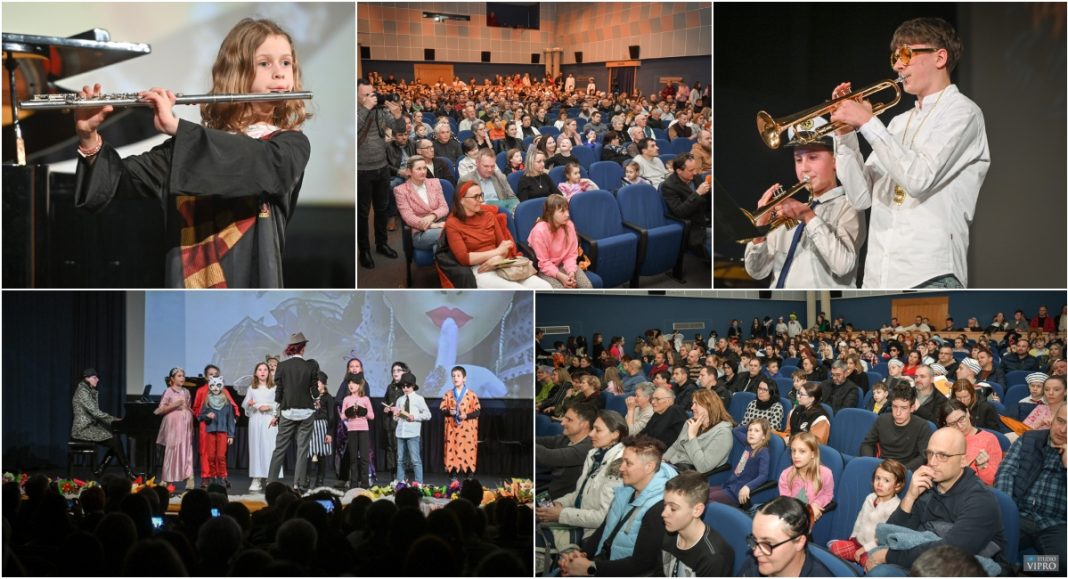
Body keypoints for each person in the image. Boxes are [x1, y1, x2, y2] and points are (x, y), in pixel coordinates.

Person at [76, 18, 312, 286]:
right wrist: (88, 136)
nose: (280, 73)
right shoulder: (187, 147)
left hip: (250, 287)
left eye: (286, 62)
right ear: (236, 71)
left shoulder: (290, 145)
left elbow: (265, 168)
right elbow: (117, 182)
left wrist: (177, 127)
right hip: (190, 289)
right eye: (264, 63)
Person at [831, 17, 989, 288]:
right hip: (878, 275)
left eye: (906, 54)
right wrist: (845, 135)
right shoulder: (897, 122)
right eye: (894, 56)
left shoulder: (963, 112)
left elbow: (919, 179)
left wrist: (868, 123)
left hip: (929, 273)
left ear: (940, 57)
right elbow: (860, 197)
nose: (897, 65)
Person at [864, 427, 1007, 575]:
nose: (932, 462)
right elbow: (889, 534)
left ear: (963, 460)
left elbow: (949, 554)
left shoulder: (980, 501)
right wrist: (910, 496)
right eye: (930, 453)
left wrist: (887, 556)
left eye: (943, 456)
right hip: (924, 564)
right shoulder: (927, 486)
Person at [744, 116, 865, 288]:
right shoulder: (790, 210)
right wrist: (759, 232)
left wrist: (809, 217)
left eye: (813, 157)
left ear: (836, 161)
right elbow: (757, 272)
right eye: (798, 159)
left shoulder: (849, 205)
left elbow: (844, 266)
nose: (804, 168)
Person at [557, 435, 677, 577]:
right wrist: (582, 555)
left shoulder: (660, 507)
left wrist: (590, 568)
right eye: (622, 461)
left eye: (628, 463)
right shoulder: (625, 490)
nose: (621, 468)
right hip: (605, 562)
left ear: (649, 467)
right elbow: (603, 530)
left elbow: (642, 564)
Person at [536, 410, 627, 548]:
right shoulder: (594, 454)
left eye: (597, 430)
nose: (591, 434)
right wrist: (559, 504)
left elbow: (603, 517)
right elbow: (579, 494)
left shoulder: (619, 464)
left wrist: (561, 514)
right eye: (592, 429)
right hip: (576, 520)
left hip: (592, 535)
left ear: (615, 434)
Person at [994, 402, 1066, 574]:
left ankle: (1024, 566)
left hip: (1057, 523)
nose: (1063, 430)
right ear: (1052, 420)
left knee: (1062, 564)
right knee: (989, 547)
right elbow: (1006, 472)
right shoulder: (1029, 439)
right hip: (1020, 514)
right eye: (1061, 421)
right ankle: (1016, 567)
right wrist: (1007, 510)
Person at [443, 181, 552, 289]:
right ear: (462, 200)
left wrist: (498, 257)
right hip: (480, 268)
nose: (481, 200)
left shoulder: (489, 216)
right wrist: (496, 252)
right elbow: (464, 258)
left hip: (500, 262)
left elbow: (504, 246)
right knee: (519, 291)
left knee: (545, 287)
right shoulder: (453, 223)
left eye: (481, 195)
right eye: (475, 197)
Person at [267, 332, 320, 493]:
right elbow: (314, 392)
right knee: (302, 449)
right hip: (306, 413)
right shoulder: (309, 366)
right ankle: (298, 485)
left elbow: (279, 393)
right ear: (302, 349)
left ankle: (271, 483)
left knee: (279, 449)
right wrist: (316, 399)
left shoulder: (282, 366)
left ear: (290, 349)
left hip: (287, 411)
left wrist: (276, 414)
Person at [827, 459, 906, 568]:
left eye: (886, 480)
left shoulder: (895, 507)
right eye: (877, 478)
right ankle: (854, 558)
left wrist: (865, 549)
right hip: (857, 543)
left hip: (873, 549)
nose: (879, 484)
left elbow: (884, 538)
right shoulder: (870, 498)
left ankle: (859, 562)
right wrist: (853, 536)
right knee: (834, 548)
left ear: (897, 486)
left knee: (871, 566)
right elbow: (860, 520)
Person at [660, 471, 735, 576]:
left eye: (673, 508)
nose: (664, 514)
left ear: (697, 510)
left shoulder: (713, 558)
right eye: (664, 505)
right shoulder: (670, 532)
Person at [740, 496, 833, 576]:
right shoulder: (753, 564)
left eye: (767, 543)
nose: (756, 553)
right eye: (755, 540)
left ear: (799, 542)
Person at [70, 368, 134, 479]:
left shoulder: (88, 390)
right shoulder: (82, 392)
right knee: (115, 441)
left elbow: (95, 412)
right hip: (82, 429)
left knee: (115, 441)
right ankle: (127, 473)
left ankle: (103, 470)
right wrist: (113, 419)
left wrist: (113, 420)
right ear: (86, 378)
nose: (98, 380)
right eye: (94, 377)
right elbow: (95, 412)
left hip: (90, 427)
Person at [526, 194, 594, 289]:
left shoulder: (569, 225)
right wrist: (561, 277)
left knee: (587, 286)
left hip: (565, 263)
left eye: (567, 210)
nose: (567, 214)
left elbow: (571, 254)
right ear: (550, 213)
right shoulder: (539, 231)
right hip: (546, 268)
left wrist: (571, 272)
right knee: (562, 293)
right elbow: (544, 263)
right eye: (562, 211)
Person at [860, 384, 930, 470]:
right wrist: (871, 463)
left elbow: (923, 456)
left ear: (912, 408)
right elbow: (867, 444)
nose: (898, 413)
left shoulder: (922, 426)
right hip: (881, 467)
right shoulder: (881, 420)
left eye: (904, 408)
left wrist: (901, 471)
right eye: (895, 407)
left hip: (906, 470)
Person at [663, 390, 734, 474]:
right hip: (672, 466)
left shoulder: (723, 433)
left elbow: (703, 467)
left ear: (709, 406)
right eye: (693, 403)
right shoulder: (690, 422)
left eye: (696, 403)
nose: (692, 407)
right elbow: (675, 446)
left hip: (688, 475)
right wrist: (662, 460)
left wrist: (692, 437)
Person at [191, 365, 239, 488]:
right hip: (206, 427)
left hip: (221, 426)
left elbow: (232, 406)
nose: (213, 376)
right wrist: (205, 416)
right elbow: (196, 409)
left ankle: (222, 476)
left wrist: (234, 418)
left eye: (215, 374)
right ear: (206, 377)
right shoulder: (201, 391)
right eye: (210, 374)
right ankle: (207, 477)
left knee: (220, 454)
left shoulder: (224, 391)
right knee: (206, 453)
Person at [536, 403, 595, 500]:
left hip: (561, 501)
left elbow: (548, 457)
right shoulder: (567, 438)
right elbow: (544, 441)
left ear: (585, 424)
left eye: (569, 420)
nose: (562, 423)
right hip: (549, 489)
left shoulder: (587, 448)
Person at [709, 418, 772, 507]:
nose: (751, 433)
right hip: (729, 485)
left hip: (735, 493)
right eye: (750, 430)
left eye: (756, 431)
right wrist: (751, 424)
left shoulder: (763, 452)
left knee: (706, 498)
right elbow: (736, 430)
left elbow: (763, 476)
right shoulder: (748, 445)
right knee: (701, 492)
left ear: (764, 436)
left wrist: (748, 487)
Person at [937, 400, 1002, 486]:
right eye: (953, 424)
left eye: (961, 419)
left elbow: (993, 481)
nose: (960, 426)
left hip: (975, 491)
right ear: (946, 425)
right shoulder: (943, 440)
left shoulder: (989, 439)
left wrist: (982, 467)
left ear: (967, 413)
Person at [393, 157, 449, 252]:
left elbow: (444, 207)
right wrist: (432, 225)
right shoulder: (400, 191)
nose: (423, 172)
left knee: (439, 246)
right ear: (409, 171)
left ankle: (443, 265)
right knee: (451, 232)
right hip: (421, 232)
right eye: (418, 169)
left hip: (442, 224)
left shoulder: (435, 183)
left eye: (425, 168)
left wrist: (432, 216)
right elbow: (409, 217)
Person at [660, 153, 712, 256]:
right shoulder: (669, 186)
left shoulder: (696, 177)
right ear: (679, 171)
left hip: (707, 219)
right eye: (691, 170)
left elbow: (707, 203)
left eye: (695, 169)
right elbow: (680, 212)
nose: (695, 172)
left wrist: (711, 192)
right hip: (693, 226)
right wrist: (698, 193)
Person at [384, 371, 431, 484]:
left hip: (413, 433)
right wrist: (395, 415)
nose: (405, 388)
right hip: (400, 433)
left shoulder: (419, 399)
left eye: (408, 385)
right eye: (403, 386)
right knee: (400, 460)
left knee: (415, 460)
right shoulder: (400, 400)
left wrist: (414, 417)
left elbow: (428, 415)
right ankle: (400, 483)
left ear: (413, 386)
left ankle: (419, 483)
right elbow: (397, 418)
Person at [778, 432, 834, 522]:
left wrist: (815, 504)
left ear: (813, 454)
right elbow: (786, 503)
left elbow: (828, 494)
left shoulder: (825, 473)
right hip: (791, 518)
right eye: (793, 451)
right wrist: (807, 510)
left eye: (802, 451)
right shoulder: (786, 475)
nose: (796, 455)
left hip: (810, 522)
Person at [155, 368, 195, 490]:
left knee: (186, 450)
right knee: (172, 449)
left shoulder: (187, 392)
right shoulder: (168, 391)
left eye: (183, 376)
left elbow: (188, 407)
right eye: (179, 376)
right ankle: (165, 479)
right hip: (173, 423)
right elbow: (159, 410)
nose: (182, 378)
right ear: (172, 379)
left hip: (185, 423)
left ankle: (189, 478)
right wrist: (175, 404)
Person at [440, 366, 480, 479]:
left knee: (468, 451)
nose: (455, 378)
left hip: (467, 430)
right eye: (453, 376)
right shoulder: (448, 394)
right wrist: (449, 412)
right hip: (452, 430)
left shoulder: (471, 394)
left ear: (464, 378)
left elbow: (478, 411)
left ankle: (469, 476)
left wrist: (466, 415)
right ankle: (453, 476)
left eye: (458, 376)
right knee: (452, 452)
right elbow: (442, 410)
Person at [245, 362, 279, 493]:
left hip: (269, 419)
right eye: (260, 369)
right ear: (256, 373)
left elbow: (279, 403)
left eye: (265, 369)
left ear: (269, 373)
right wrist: (252, 405)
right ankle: (257, 478)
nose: (263, 372)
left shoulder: (274, 387)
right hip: (256, 420)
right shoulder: (251, 388)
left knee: (271, 447)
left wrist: (270, 407)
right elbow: (247, 406)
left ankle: (271, 478)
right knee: (256, 448)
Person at [339, 373, 373, 489]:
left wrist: (363, 411)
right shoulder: (346, 399)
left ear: (360, 385)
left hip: (363, 430)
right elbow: (342, 416)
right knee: (353, 458)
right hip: (352, 430)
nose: (351, 385)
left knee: (364, 458)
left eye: (354, 383)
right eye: (349, 383)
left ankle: (364, 484)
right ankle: (353, 484)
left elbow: (372, 416)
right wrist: (349, 412)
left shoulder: (365, 399)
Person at [458, 149, 520, 213]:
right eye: (486, 166)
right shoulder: (465, 180)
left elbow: (513, 198)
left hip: (501, 214)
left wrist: (508, 212)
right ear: (477, 163)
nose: (490, 170)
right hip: (479, 215)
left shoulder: (500, 177)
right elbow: (461, 207)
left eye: (492, 166)